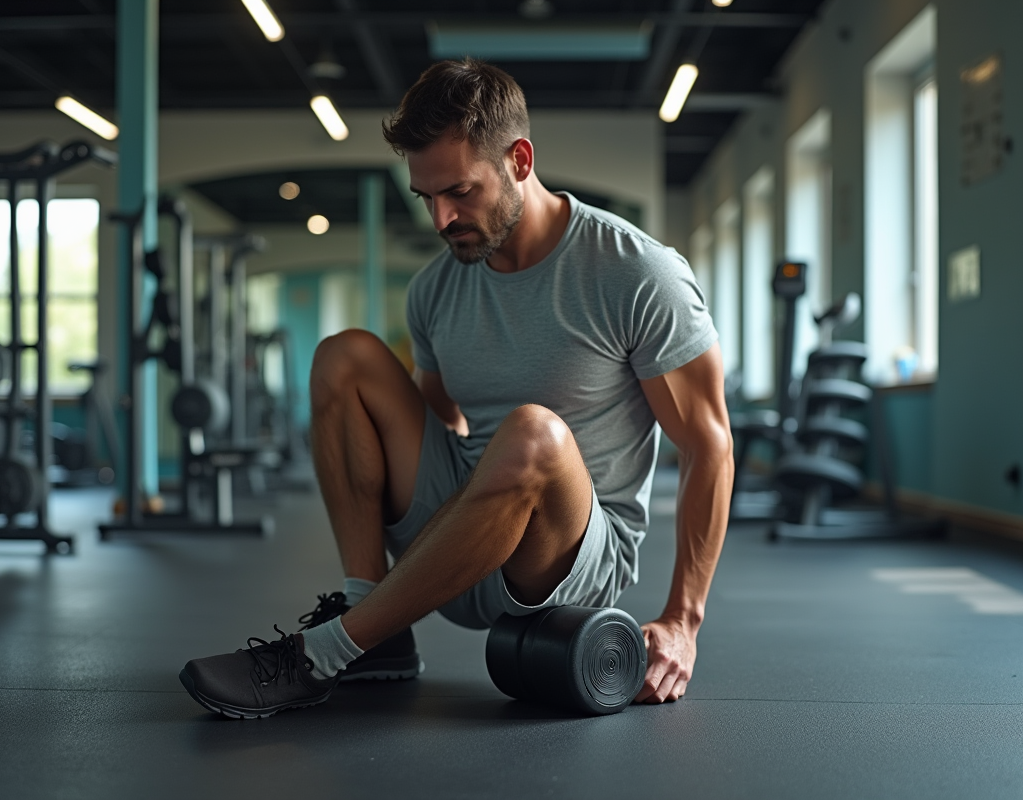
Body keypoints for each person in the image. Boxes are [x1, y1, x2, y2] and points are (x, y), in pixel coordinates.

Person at [179, 59, 735, 719]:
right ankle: (369, 617)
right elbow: (433, 428)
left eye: (461, 192)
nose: (442, 218)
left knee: (531, 433)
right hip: (469, 527)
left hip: (571, 558)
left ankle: (323, 654)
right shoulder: (438, 288)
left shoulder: (635, 272)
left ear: (520, 160)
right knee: (344, 356)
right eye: (427, 197)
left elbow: (711, 447)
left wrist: (683, 622)